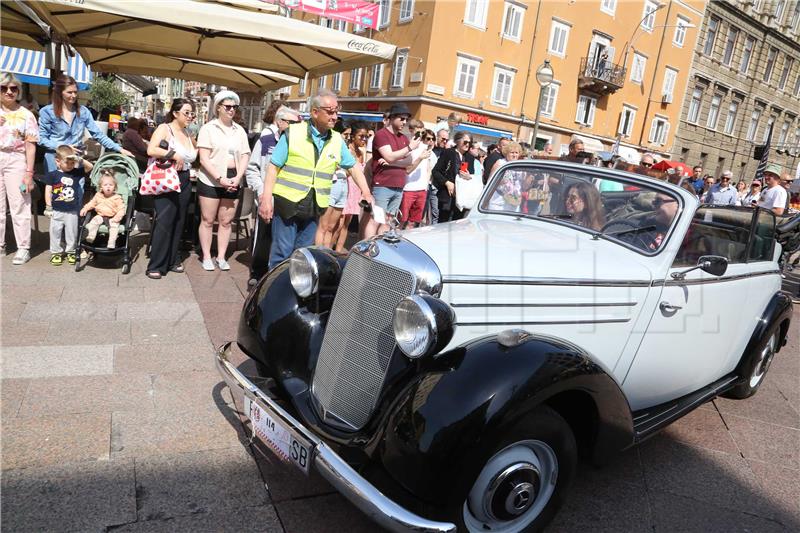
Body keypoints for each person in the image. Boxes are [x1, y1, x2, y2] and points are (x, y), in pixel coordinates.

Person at [258, 89, 374, 270]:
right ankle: (273, 292)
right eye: (330, 111)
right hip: (287, 203)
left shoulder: (336, 140)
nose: (335, 116)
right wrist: (266, 198)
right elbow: (273, 167)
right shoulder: (293, 133)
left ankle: (296, 292)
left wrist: (366, 192)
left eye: (337, 111)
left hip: (315, 206)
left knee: (303, 254)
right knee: (282, 253)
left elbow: (353, 167)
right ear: (314, 112)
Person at [245, 103, 301, 286]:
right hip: (267, 199)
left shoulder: (300, 143)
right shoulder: (266, 140)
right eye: (292, 123)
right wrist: (262, 193)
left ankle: (282, 278)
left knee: (286, 243)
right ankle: (257, 275)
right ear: (279, 122)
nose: (296, 127)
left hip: (291, 201)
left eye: (298, 123)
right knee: (264, 238)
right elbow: (252, 169)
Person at [197, 90, 251, 271]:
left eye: (234, 107)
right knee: (207, 219)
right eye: (227, 107)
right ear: (218, 108)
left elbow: (245, 155)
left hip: (233, 177)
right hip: (211, 179)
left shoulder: (240, 130)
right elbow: (203, 158)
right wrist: (219, 178)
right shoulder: (208, 128)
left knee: (226, 221)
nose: (231, 110)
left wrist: (238, 176)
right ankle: (206, 256)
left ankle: (221, 256)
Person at [145, 98, 197, 279]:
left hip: (185, 179)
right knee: (165, 221)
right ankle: (157, 264)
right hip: (167, 178)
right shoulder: (164, 129)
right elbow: (151, 150)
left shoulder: (189, 133)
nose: (190, 116)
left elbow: (194, 156)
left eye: (192, 113)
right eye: (187, 112)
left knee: (179, 221)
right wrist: (173, 154)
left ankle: (172, 259)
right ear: (175, 113)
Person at [38, 74, 132, 173]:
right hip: (55, 161)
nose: (73, 95)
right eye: (69, 92)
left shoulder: (83, 112)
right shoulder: (47, 112)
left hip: (76, 162)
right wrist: (64, 147)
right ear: (60, 93)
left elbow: (98, 135)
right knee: (54, 188)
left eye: (75, 92)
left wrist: (119, 149)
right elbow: (42, 139)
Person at [365, 103, 421, 238]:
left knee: (388, 221)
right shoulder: (381, 135)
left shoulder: (403, 138)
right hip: (383, 185)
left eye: (406, 119)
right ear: (392, 117)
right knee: (376, 220)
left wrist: (391, 162)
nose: (404, 122)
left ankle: (380, 250)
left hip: (399, 185)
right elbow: (389, 155)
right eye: (402, 119)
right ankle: (366, 250)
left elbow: (409, 162)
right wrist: (408, 149)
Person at [0, 72, 39, 265]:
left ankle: (23, 247)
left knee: (20, 204)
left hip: (16, 158)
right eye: (4, 88)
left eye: (13, 88)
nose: (9, 92)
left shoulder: (26, 115)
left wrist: (29, 173)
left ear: (19, 91)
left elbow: (31, 145)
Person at [42, 145, 92, 265]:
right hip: (57, 210)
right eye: (67, 163)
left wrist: (79, 159)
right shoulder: (52, 175)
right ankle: (56, 252)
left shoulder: (75, 173)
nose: (70, 166)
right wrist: (48, 206)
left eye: (72, 163)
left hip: (72, 210)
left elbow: (90, 167)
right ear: (57, 161)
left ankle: (71, 251)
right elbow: (48, 191)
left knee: (72, 232)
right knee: (55, 232)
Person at [332, 122, 371, 251]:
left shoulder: (362, 152)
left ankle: (338, 251)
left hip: (355, 192)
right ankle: (328, 250)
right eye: (361, 136)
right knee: (338, 224)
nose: (364, 139)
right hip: (345, 188)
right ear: (353, 137)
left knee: (346, 225)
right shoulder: (347, 150)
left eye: (366, 137)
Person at [431, 130, 473, 222]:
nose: (467, 145)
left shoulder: (470, 157)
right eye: (465, 142)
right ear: (457, 141)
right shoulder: (448, 153)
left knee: (457, 225)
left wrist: (468, 176)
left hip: (462, 198)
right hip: (448, 197)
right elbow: (436, 171)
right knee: (443, 224)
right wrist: (447, 183)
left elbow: (473, 177)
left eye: (469, 143)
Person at [400, 128, 435, 228]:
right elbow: (407, 170)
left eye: (433, 139)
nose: (431, 141)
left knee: (413, 222)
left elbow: (428, 170)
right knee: (401, 220)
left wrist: (425, 186)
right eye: (428, 139)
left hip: (422, 190)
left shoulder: (428, 151)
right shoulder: (410, 149)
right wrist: (420, 158)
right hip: (408, 189)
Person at [80, 171, 125, 245]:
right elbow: (91, 203)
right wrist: (85, 208)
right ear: (101, 187)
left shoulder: (117, 198)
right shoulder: (98, 195)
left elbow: (121, 209)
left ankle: (111, 242)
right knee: (93, 222)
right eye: (105, 185)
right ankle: (91, 236)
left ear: (114, 187)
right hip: (100, 215)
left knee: (114, 227)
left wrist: (117, 217)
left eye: (111, 185)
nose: (108, 187)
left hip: (112, 217)